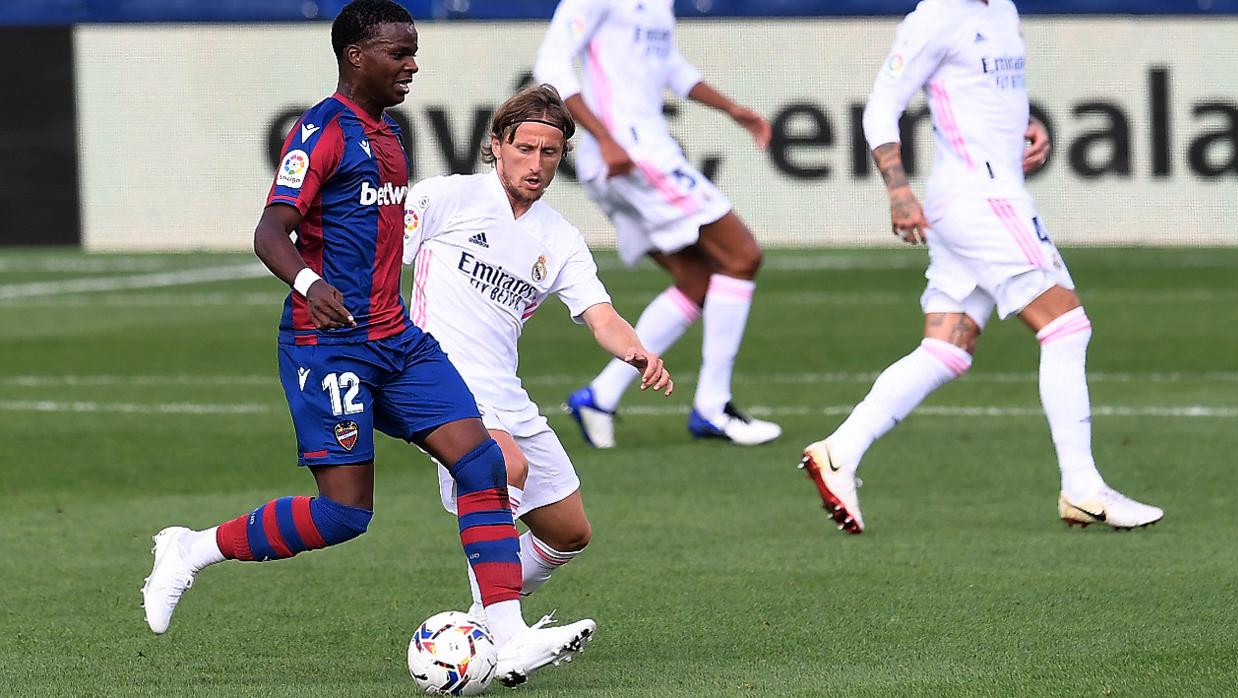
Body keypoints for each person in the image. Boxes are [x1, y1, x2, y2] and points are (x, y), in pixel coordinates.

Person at [139, 1, 591, 684]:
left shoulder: (390, 137)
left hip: (398, 341)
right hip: (329, 347)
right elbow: (270, 231)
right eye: (399, 53)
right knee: (344, 514)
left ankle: (508, 634)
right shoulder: (320, 130)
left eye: (413, 52)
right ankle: (190, 549)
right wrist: (309, 282)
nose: (412, 65)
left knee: (483, 463)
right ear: (357, 56)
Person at [799, 0, 1163, 534]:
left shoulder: (1003, 11)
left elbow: (986, 93)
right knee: (1066, 328)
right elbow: (880, 108)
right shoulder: (936, 17)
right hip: (980, 199)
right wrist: (898, 190)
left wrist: (1027, 125)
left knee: (946, 348)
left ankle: (840, 452)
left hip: (986, 194)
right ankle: (1083, 488)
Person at [402, 84, 673, 644]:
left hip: (506, 393)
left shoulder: (560, 237)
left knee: (568, 532)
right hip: (439, 381)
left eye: (549, 152)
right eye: (525, 148)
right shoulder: (445, 198)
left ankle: (479, 623)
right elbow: (381, 262)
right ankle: (506, 636)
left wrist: (638, 351)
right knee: (504, 466)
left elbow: (601, 315)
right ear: (497, 144)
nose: (536, 163)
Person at [533, 0, 781, 448]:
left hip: (636, 151)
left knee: (697, 279)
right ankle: (713, 407)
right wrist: (604, 137)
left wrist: (733, 110)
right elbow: (550, 65)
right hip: (629, 153)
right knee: (742, 255)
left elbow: (671, 66)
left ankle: (600, 398)